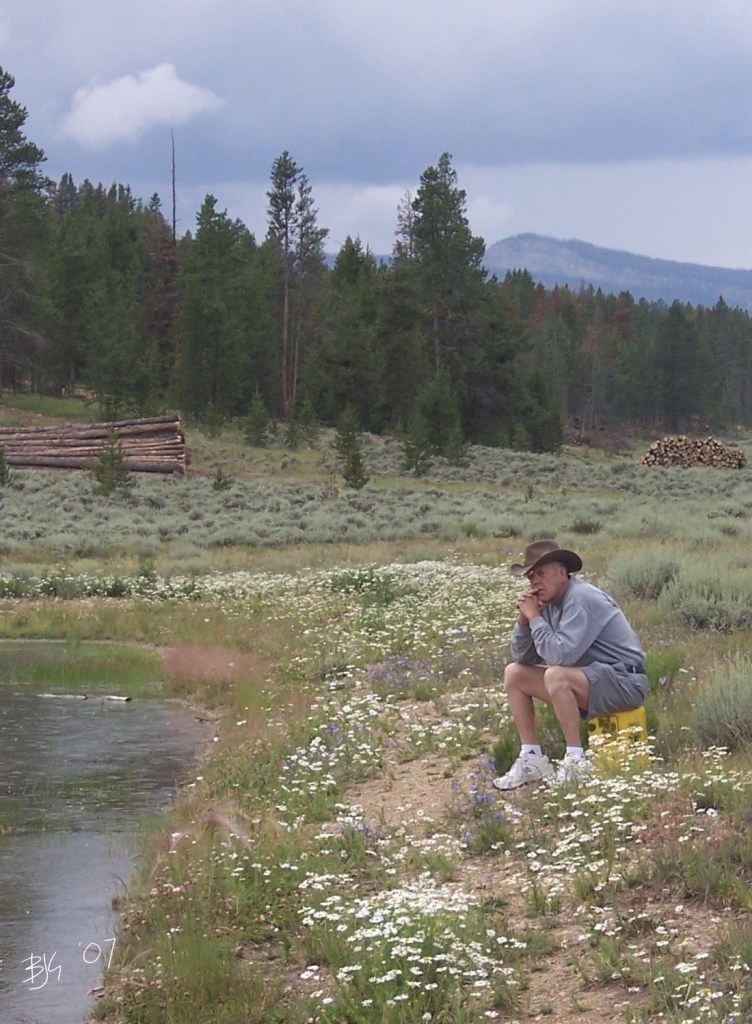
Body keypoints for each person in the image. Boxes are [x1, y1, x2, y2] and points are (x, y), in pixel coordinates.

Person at [493, 538, 647, 790]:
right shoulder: (549, 604)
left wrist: (535, 617)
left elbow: (560, 657)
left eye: (541, 574)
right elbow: (523, 658)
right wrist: (524, 620)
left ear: (562, 573)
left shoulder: (580, 598)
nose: (534, 582)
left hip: (626, 682)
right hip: (591, 680)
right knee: (514, 674)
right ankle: (532, 759)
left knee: (556, 675)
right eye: (530, 577)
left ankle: (576, 761)